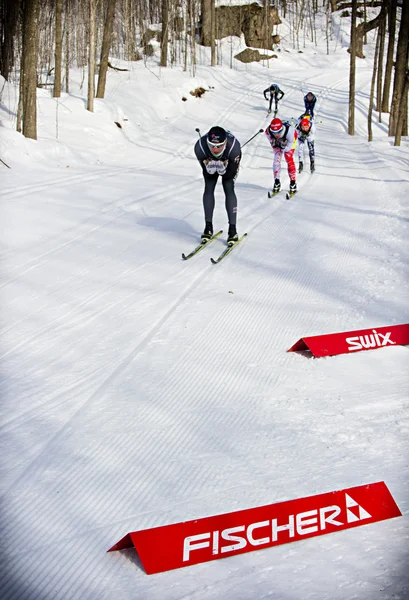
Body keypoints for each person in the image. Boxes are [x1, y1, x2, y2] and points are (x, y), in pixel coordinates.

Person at [194, 126, 242, 246]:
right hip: (209, 160)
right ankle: (208, 227)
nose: (215, 149)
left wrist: (223, 171)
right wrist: (210, 167)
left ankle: (232, 230)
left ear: (225, 143)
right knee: (209, 187)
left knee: (228, 186)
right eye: (212, 146)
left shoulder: (234, 148)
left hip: (229, 162)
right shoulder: (200, 147)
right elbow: (206, 170)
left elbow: (230, 174)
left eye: (219, 146)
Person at [265, 117, 298, 194]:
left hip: (290, 140)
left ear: (281, 129)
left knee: (288, 157)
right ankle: (277, 181)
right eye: (274, 132)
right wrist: (276, 145)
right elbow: (273, 145)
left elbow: (289, 147)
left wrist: (283, 147)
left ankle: (293, 183)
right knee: (276, 159)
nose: (276, 134)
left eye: (278, 132)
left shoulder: (290, 132)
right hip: (281, 141)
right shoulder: (268, 132)